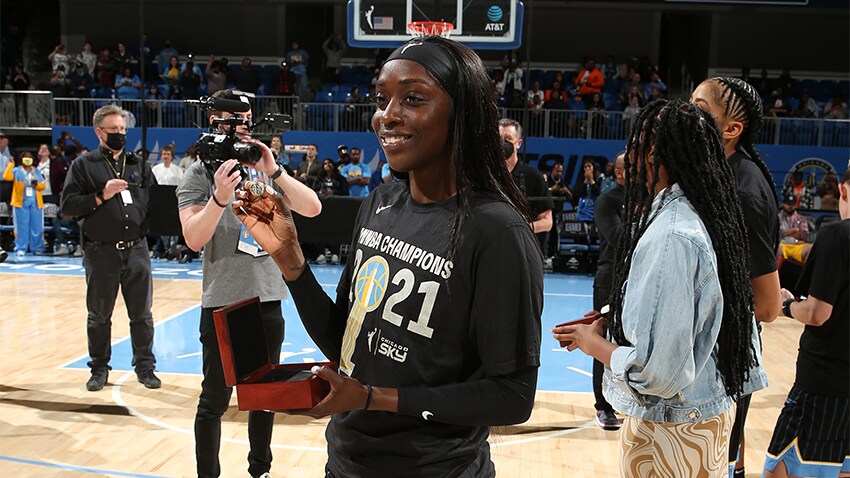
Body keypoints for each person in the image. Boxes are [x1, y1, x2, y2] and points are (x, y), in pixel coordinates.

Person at [231, 35, 543, 477]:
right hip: (345, 462)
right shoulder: (379, 203)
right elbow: (346, 343)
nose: (387, 115)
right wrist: (290, 260)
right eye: (381, 99)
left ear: (462, 113)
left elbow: (513, 396)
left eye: (413, 98)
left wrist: (372, 398)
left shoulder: (496, 230)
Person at [553, 99, 761, 477]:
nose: (626, 158)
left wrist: (592, 342)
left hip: (671, 430)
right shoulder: (704, 214)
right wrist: (611, 320)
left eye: (634, 146)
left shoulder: (672, 236)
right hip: (699, 417)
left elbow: (660, 376)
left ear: (652, 154)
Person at [175, 88, 322, 478]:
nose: (242, 127)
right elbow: (193, 237)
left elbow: (312, 207)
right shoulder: (197, 173)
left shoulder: (261, 167)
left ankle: (261, 471)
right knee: (214, 400)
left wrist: (274, 171)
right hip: (223, 302)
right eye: (235, 120)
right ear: (215, 121)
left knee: (264, 397)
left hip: (268, 298)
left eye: (246, 119)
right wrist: (219, 198)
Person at [691, 76, 779, 477]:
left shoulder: (744, 192)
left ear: (731, 129)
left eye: (701, 106)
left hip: (720, 359)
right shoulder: (716, 175)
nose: (688, 110)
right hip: (706, 356)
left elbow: (767, 305)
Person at [60, 105, 161, 392]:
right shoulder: (84, 165)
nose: (119, 134)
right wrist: (101, 195)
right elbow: (67, 207)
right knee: (99, 315)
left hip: (137, 250)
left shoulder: (138, 164)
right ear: (99, 132)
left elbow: (152, 203)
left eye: (123, 130)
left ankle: (145, 366)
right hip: (100, 251)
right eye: (114, 130)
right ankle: (99, 368)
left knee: (142, 314)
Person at [763, 169, 849, 478]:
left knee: (780, 468)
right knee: (842, 468)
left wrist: (786, 306)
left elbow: (816, 313)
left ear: (843, 190)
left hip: (825, 380)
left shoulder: (837, 235)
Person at [585, 151, 625, 431]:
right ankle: (604, 406)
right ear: (618, 172)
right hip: (610, 279)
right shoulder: (607, 201)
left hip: (638, 278)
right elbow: (620, 238)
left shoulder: (649, 200)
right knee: (604, 339)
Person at [499, 118, 554, 255]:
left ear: (519, 143)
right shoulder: (485, 175)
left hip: (523, 250)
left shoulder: (533, 176)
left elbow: (547, 222)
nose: (502, 144)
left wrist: (521, 229)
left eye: (508, 139)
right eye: (498, 139)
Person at [4, 152, 46, 256]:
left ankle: (37, 248)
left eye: (29, 157)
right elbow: (6, 176)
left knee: (37, 227)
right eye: (25, 157)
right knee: (21, 226)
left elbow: (43, 185)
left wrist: (36, 185)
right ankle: (20, 248)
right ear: (22, 159)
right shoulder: (17, 170)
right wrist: (11, 164)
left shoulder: (36, 171)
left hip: (35, 202)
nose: (28, 159)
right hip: (20, 202)